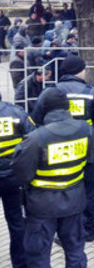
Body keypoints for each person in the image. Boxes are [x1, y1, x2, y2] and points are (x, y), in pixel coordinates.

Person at [31, 54, 94, 242]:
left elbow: (35, 119)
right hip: (86, 149)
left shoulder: (50, 92)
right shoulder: (91, 92)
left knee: (61, 185)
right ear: (80, 71)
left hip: (55, 149)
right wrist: (91, 130)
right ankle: (89, 228)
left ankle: (62, 228)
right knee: (89, 188)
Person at [12, 89, 94, 267]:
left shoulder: (35, 139)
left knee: (38, 257)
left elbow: (22, 174)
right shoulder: (86, 130)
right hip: (75, 202)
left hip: (41, 207)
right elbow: (90, 163)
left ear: (44, 109)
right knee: (75, 252)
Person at [0, 92, 35, 267]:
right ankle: (21, 264)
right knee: (17, 222)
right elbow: (32, 140)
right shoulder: (16, 113)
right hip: (12, 177)